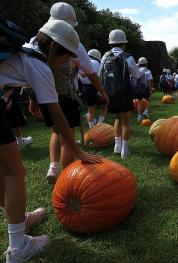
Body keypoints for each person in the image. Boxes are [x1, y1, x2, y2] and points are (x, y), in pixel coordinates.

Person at [0, 19, 101, 263]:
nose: (66, 62)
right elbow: (59, 116)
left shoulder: (21, 51)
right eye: (66, 57)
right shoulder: (39, 65)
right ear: (55, 50)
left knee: (3, 171)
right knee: (14, 172)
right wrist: (79, 152)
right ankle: (18, 246)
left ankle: (18, 219)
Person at [43, 2, 109, 183]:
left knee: (56, 131)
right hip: (66, 96)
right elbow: (91, 73)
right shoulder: (73, 42)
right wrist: (102, 92)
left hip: (45, 95)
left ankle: (53, 167)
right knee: (68, 136)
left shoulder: (38, 38)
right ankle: (65, 176)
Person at [100, 29, 140, 158]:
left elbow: (99, 74)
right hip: (124, 93)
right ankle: (125, 150)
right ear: (124, 43)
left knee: (117, 117)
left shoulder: (105, 56)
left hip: (110, 93)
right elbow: (137, 75)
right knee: (126, 121)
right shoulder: (128, 57)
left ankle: (117, 147)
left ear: (110, 43)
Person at [79, 49, 107, 128]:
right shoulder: (97, 63)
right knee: (106, 106)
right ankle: (99, 124)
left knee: (90, 110)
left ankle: (91, 128)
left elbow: (79, 76)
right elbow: (99, 77)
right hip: (95, 87)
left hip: (84, 88)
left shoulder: (83, 63)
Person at [133, 57, 153, 121]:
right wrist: (150, 90)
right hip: (145, 88)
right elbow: (149, 81)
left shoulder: (137, 70)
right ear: (146, 64)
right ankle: (146, 111)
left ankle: (139, 116)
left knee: (139, 102)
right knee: (149, 100)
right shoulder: (148, 71)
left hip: (138, 89)